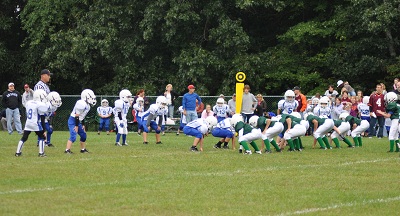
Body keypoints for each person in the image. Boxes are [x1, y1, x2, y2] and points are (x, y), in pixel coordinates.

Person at [15, 90, 49, 157]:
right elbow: (42, 117)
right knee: (42, 137)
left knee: (24, 138)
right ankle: (41, 153)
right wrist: (44, 130)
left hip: (28, 123)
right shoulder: (39, 104)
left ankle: (17, 152)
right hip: (35, 123)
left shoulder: (29, 102)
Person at [65, 89, 96, 154]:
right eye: (90, 97)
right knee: (73, 136)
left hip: (78, 121)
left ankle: (83, 149)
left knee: (83, 135)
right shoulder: (81, 103)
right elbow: (77, 115)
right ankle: (67, 150)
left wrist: (83, 124)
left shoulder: (87, 105)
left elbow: (82, 116)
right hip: (73, 120)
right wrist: (76, 126)